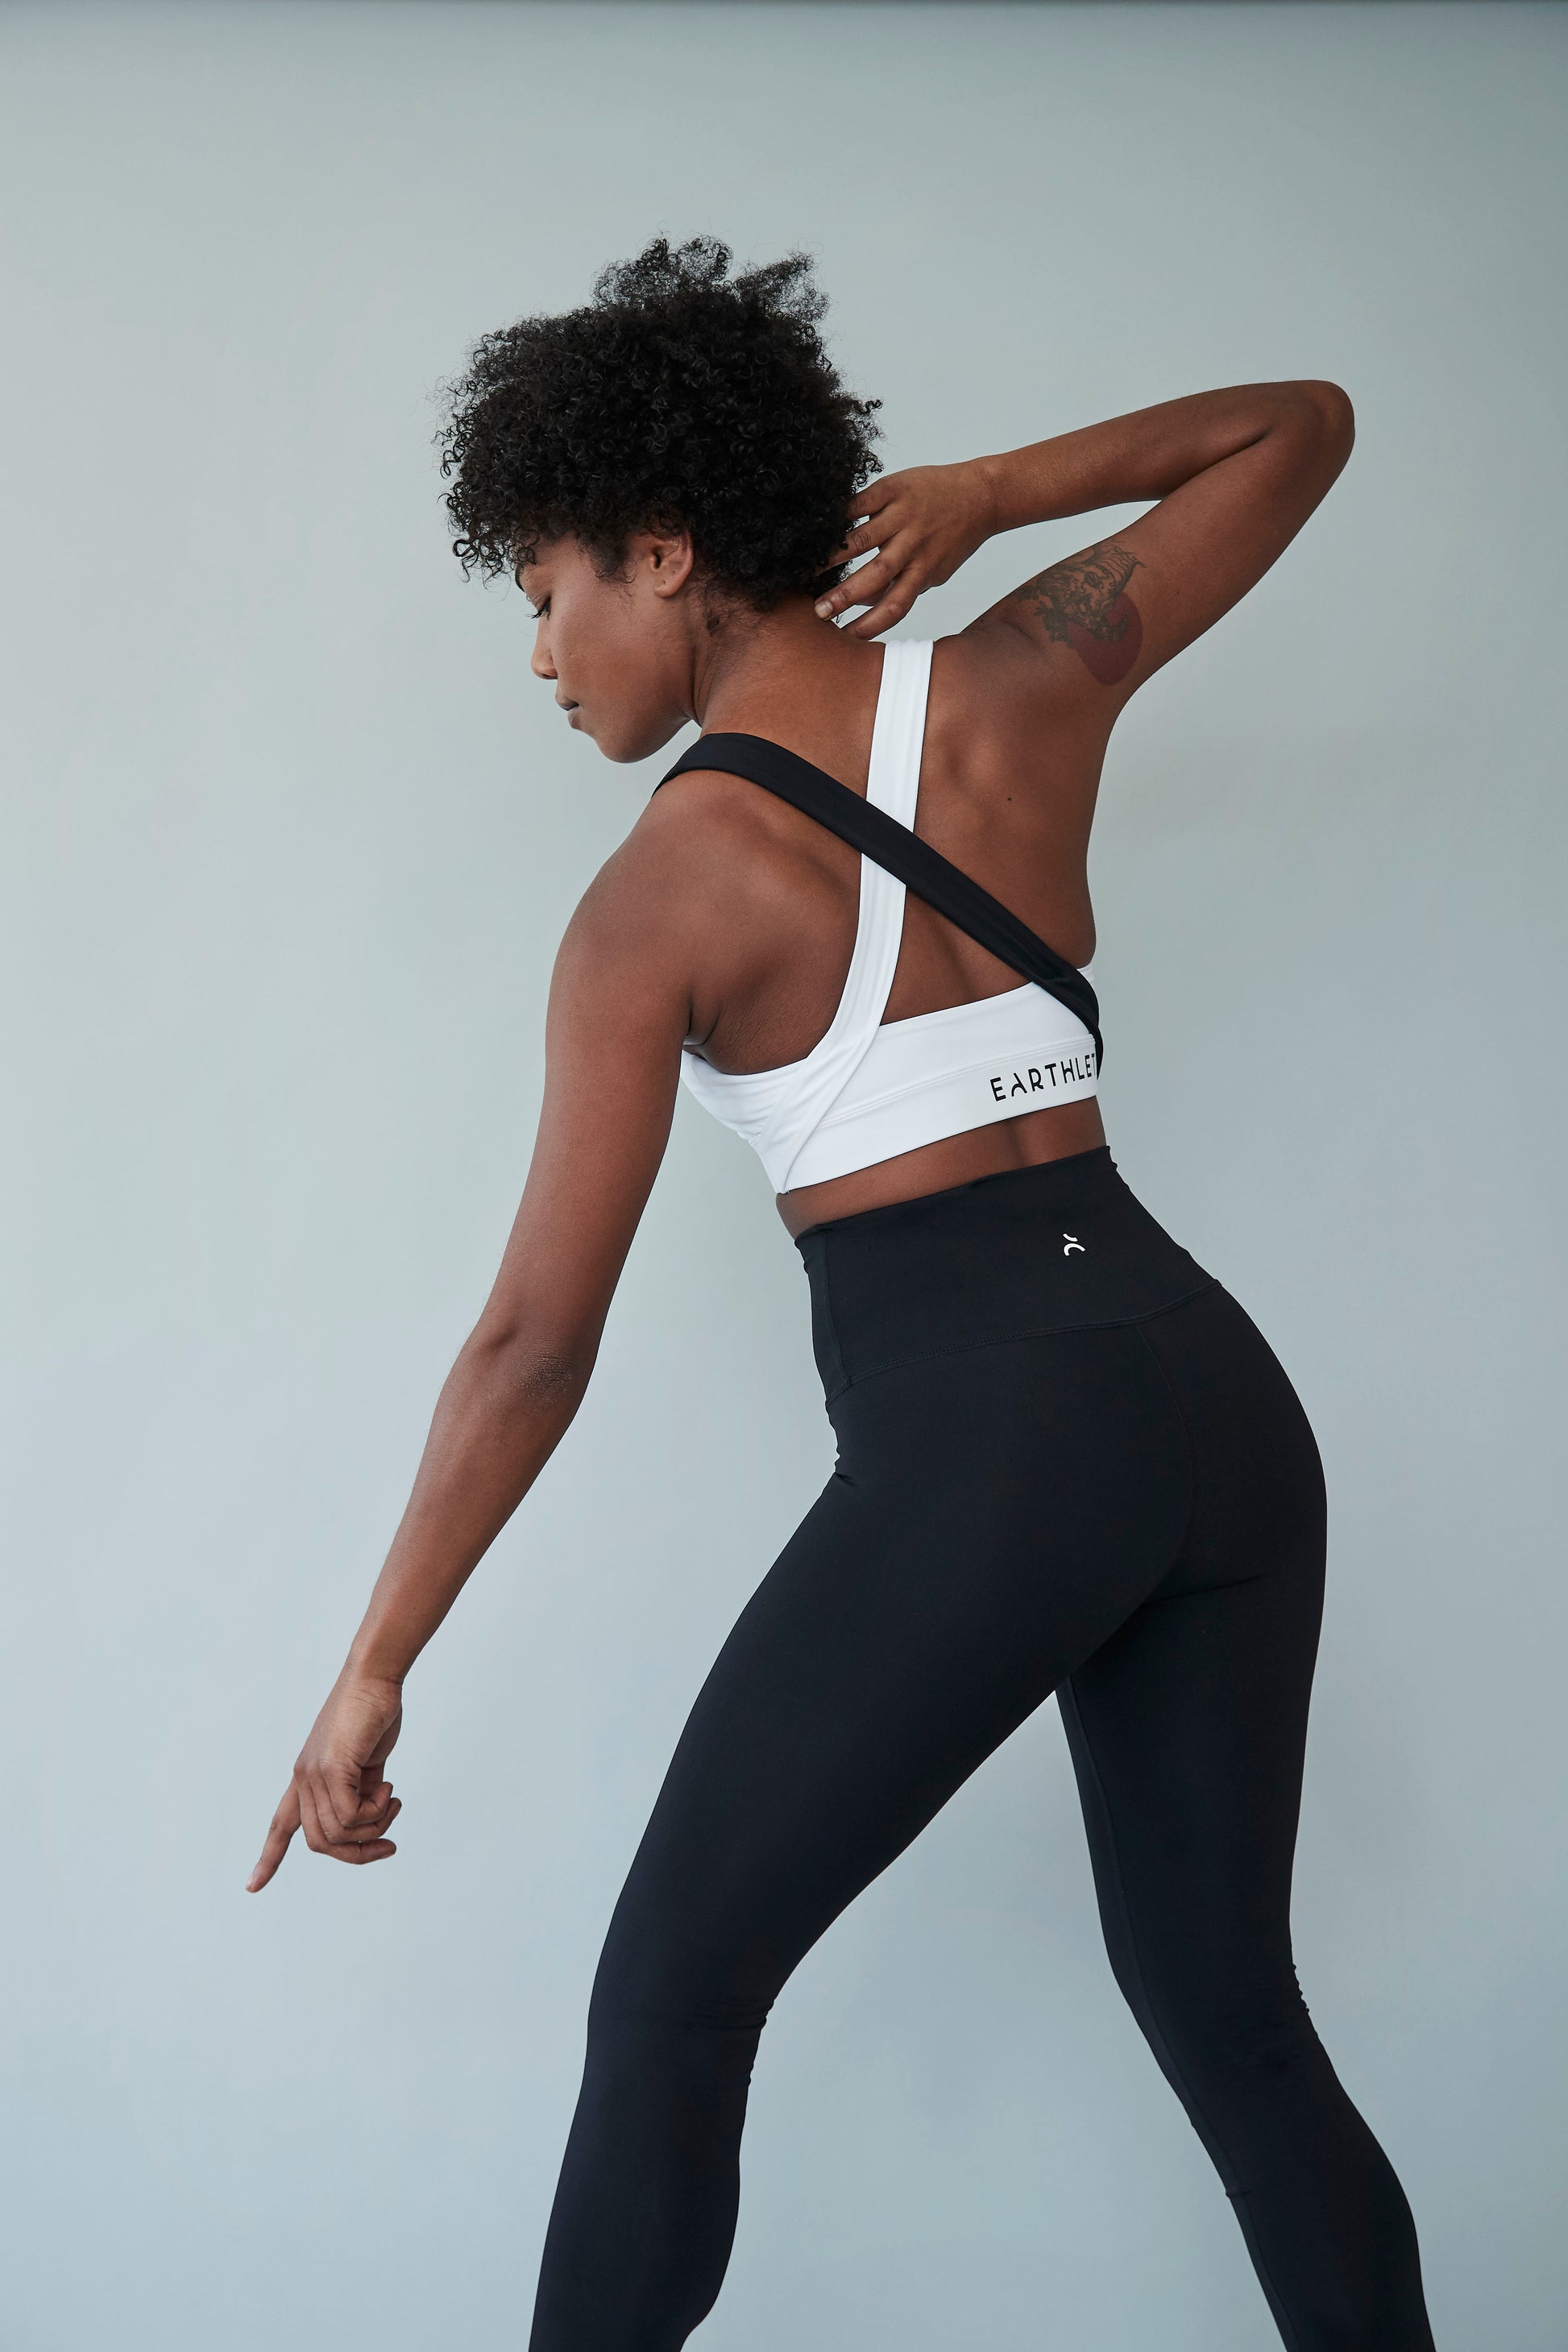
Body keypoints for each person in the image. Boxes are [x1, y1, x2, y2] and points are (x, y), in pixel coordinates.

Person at [248, 236, 1436, 2351]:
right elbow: (1297, 430)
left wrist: (371, 1665)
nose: (538, 657)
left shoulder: (654, 905)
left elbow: (532, 1344)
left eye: (543, 595)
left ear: (663, 544)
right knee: (1237, 2032)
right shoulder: (1018, 686)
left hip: (997, 1442)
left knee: (668, 2003)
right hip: (1208, 1407)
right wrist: (993, 493)